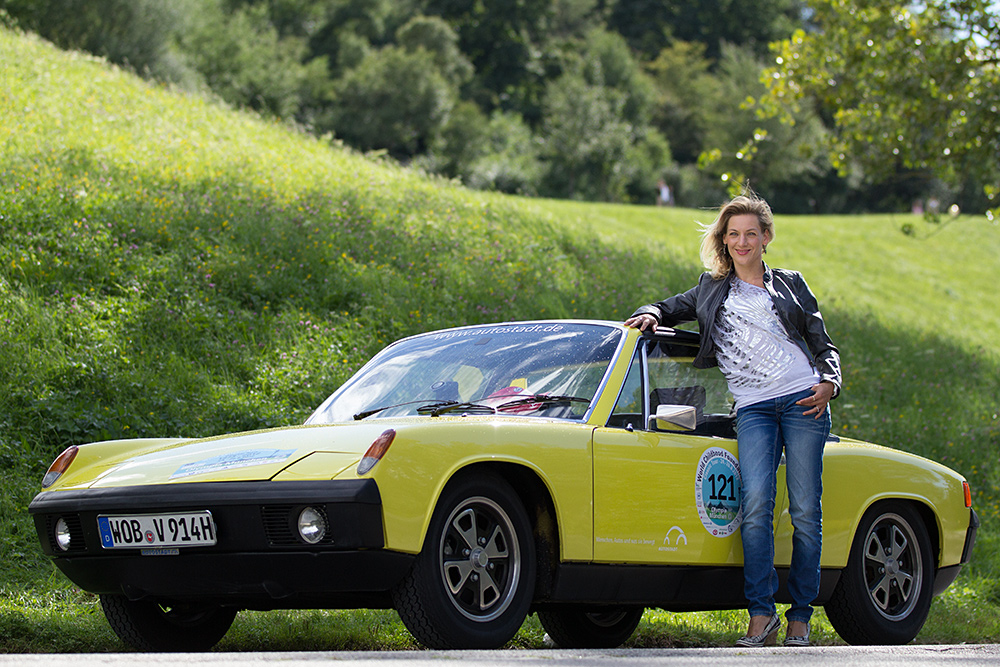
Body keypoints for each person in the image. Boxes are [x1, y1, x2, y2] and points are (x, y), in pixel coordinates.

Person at [624, 192, 841, 648]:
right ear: (724, 239)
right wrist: (650, 312)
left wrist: (829, 382)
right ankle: (761, 614)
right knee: (756, 508)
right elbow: (668, 306)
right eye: (733, 234)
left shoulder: (791, 284)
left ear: (766, 238)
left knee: (805, 511)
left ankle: (800, 616)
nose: (742, 242)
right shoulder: (710, 287)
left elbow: (823, 343)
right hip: (754, 407)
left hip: (803, 399)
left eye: (750, 234)